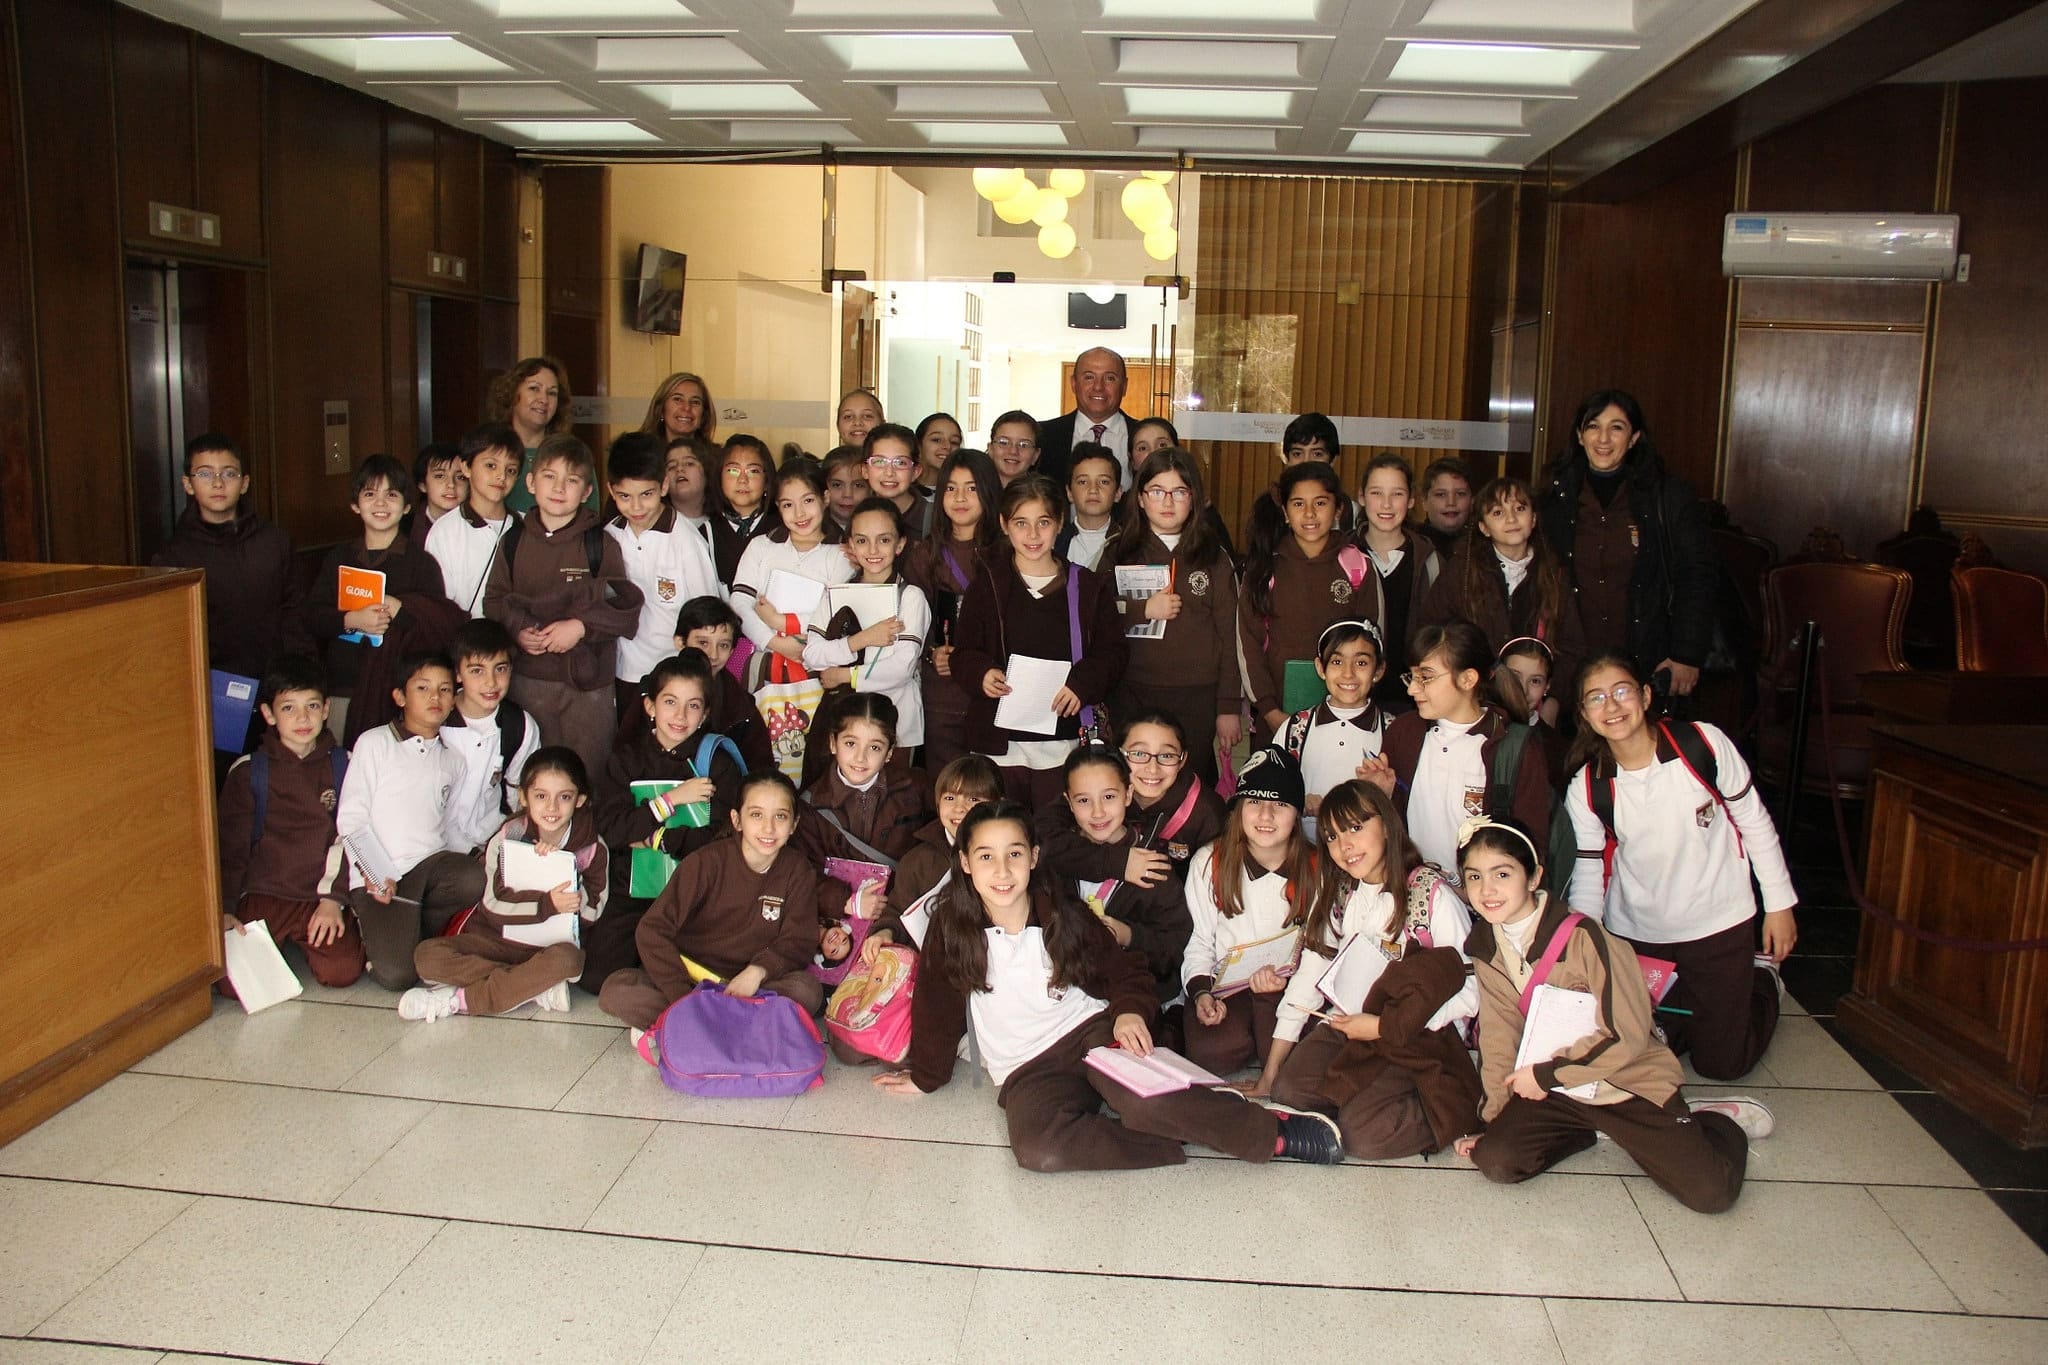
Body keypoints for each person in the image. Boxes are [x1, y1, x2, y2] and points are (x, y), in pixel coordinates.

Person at [872, 800, 1345, 1169]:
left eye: (1014, 854)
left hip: (1089, 1034)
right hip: (1027, 1068)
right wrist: (926, 1076)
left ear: (1034, 858)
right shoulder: (952, 929)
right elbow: (937, 1007)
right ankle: (1183, 1128)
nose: (1002, 871)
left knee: (1138, 1101)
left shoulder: (1058, 913)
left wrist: (1129, 1010)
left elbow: (1125, 968)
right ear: (966, 862)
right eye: (986, 857)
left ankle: (1273, 1133)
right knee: (1040, 1150)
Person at [1454, 817, 1771, 1212]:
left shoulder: (1586, 938)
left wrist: (1547, 1075)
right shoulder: (1487, 946)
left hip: (1621, 1082)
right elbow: (1499, 1037)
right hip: (1556, 1091)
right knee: (1497, 1161)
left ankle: (1716, 1124)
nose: (1488, 890)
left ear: (1533, 877)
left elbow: (1626, 1034)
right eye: (1474, 877)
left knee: (1711, 1193)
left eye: (1502, 873)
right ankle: (1589, 1129)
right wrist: (1493, 1120)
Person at [1564, 653, 1797, 1081]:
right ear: (1583, 714)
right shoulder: (1588, 784)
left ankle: (1762, 979)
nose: (1612, 707)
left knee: (1722, 1064)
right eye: (1596, 698)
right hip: (1638, 932)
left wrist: (1779, 905)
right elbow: (1588, 868)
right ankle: (1700, 1010)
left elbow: (1754, 822)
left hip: (1717, 922)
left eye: (1622, 691)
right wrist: (1587, 942)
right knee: (1645, 1053)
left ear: (1646, 695)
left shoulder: (1702, 744)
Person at [1251, 781, 1484, 1161]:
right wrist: (1271, 1070)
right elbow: (1310, 974)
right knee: (1289, 1090)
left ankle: (1444, 1108)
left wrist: (1386, 1026)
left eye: (1356, 827)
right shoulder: (1342, 892)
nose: (1345, 846)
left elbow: (1471, 990)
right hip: (1353, 1026)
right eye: (1331, 836)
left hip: (1419, 1035)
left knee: (1365, 1137)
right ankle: (1363, 1097)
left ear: (1388, 825)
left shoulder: (1429, 894)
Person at [598, 769, 826, 1029]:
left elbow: (798, 940)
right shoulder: (705, 862)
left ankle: (682, 1027)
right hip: (692, 979)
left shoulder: (797, 871)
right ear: (736, 820)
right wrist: (682, 996)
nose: (768, 828)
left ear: (794, 824)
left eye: (781, 817)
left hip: (751, 985)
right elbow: (652, 930)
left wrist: (757, 972)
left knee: (807, 991)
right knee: (617, 990)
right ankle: (718, 1023)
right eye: (756, 815)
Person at [952, 474, 1128, 808]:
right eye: (1021, 523)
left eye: (1043, 522)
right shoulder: (987, 584)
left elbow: (1114, 653)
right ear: (1004, 524)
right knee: (1002, 826)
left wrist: (1082, 685)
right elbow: (963, 654)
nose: (1032, 535)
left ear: (1061, 522)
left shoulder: (1088, 587)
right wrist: (982, 674)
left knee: (1053, 831)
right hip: (999, 743)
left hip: (1062, 739)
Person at [1538, 389, 1717, 701]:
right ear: (1580, 436)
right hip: (1574, 663)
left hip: (1648, 659)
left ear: (1634, 438)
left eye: (1616, 427)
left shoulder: (1668, 497)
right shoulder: (1554, 497)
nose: (1603, 439)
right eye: (1593, 426)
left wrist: (1686, 653)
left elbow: (1696, 575)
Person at [402, 746, 604, 1021]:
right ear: (523, 797)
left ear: (580, 800)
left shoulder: (592, 846)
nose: (552, 808)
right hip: (496, 939)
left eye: (564, 797)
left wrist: (570, 883)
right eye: (541, 796)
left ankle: (460, 1000)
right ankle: (529, 987)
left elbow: (594, 911)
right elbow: (493, 904)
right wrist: (545, 904)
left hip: (548, 947)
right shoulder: (510, 834)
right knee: (427, 956)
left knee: (569, 961)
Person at [586, 650, 747, 993]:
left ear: (704, 714)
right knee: (596, 977)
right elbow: (611, 829)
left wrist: (658, 838)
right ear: (650, 706)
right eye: (670, 701)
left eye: (693, 706)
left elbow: (723, 838)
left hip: (696, 897)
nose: (680, 715)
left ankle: (657, 978)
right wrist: (671, 801)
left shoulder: (716, 761)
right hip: (633, 890)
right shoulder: (626, 760)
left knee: (708, 973)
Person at [483, 433, 645, 776]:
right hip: (528, 681)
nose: (559, 488)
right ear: (530, 482)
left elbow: (626, 605)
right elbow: (494, 600)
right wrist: (517, 630)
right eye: (549, 477)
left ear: (587, 492)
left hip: (588, 690)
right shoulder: (513, 540)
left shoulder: (599, 543)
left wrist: (581, 627)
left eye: (571, 481)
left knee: (588, 776)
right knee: (531, 776)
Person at [333, 651, 488, 990]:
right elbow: (352, 818)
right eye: (423, 688)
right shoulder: (374, 743)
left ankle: (415, 933)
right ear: (400, 697)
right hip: (380, 879)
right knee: (397, 977)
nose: (436, 698)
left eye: (445, 689)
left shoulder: (452, 759)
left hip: (428, 869)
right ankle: (388, 936)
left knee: (470, 877)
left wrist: (485, 851)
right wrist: (375, 872)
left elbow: (448, 825)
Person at [215, 657, 364, 993]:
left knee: (341, 972)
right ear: (269, 715)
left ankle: (304, 942)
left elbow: (351, 839)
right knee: (229, 983)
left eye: (312, 706)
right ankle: (275, 947)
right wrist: (223, 910)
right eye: (288, 708)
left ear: (326, 709)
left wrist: (334, 900)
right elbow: (230, 851)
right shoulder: (248, 772)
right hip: (263, 892)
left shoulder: (345, 766)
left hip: (317, 893)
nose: (302, 718)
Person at [1361, 620, 1557, 875]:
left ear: (1468, 679)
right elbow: (1391, 829)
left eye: (1426, 677)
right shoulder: (1404, 732)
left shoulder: (1513, 747)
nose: (1411, 689)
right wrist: (1381, 795)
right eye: (1412, 676)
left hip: (1485, 905)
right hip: (1415, 895)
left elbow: (1531, 846)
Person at [150, 433, 307, 750]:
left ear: (245, 482)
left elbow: (295, 613)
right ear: (188, 484)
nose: (218, 483)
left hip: (277, 687)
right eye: (205, 473)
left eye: (229, 473)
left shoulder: (273, 542)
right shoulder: (172, 557)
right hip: (214, 694)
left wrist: (302, 679)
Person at [1102, 446, 1241, 786]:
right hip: (1131, 690)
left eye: (1179, 492)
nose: (1167, 502)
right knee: (1135, 780)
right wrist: (1142, 609)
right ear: (1139, 497)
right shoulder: (1118, 551)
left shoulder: (1214, 557)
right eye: (1157, 492)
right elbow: (1094, 619)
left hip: (1197, 695)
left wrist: (1228, 707)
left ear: (1194, 498)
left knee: (1192, 782)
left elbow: (1231, 636)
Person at [303, 452, 455, 746]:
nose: (381, 503)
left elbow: (437, 629)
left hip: (399, 694)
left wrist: (402, 609)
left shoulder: (422, 563)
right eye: (370, 494)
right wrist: (350, 619)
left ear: (407, 506)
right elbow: (312, 617)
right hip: (342, 688)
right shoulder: (339, 557)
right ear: (354, 504)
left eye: (392, 494)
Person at [1180, 747, 1315, 1075]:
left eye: (1280, 804)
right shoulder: (1210, 861)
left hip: (1290, 987)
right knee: (1211, 1052)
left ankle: (1265, 1030)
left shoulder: (1316, 866)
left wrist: (1282, 992)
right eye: (1255, 802)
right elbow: (1198, 940)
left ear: (1297, 814)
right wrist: (1201, 993)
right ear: (1238, 809)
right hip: (1229, 986)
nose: (1266, 816)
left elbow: (1321, 949)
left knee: (1295, 1063)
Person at [1420, 474, 1585, 721]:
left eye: (1520, 508)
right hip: (1473, 702)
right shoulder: (1461, 572)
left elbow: (1572, 647)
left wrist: (1554, 700)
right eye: (1497, 513)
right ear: (1484, 527)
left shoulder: (1554, 574)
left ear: (1534, 519)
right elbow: (1432, 634)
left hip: (1537, 706)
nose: (1511, 519)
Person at [1046, 746, 1193, 1003]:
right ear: (1068, 803)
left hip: (1137, 998)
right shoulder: (1059, 855)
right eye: (1083, 800)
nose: (1098, 812)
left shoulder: (1153, 867)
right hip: (1067, 994)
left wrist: (1129, 934)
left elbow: (1177, 946)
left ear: (1128, 795)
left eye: (1109, 797)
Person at [1237, 461, 1367, 743]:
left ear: (1339, 509)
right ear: (1285, 512)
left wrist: (1349, 709)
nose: (1309, 513)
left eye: (1320, 503)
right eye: (1298, 504)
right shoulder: (1264, 569)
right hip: (1276, 717)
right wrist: (1270, 711)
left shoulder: (1357, 566)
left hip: (1345, 715)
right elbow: (1248, 645)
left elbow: (1373, 643)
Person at [794, 694, 931, 960]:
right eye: (850, 743)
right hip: (841, 929)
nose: (860, 757)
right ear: (833, 743)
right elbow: (800, 871)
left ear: (890, 752)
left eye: (875, 747)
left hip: (898, 924)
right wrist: (845, 901)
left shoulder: (915, 788)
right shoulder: (811, 807)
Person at [803, 497, 930, 764]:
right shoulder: (834, 594)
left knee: (893, 801)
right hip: (847, 725)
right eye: (861, 540)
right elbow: (812, 654)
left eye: (884, 540)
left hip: (898, 724)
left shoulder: (910, 596)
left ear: (901, 544)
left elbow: (902, 667)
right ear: (850, 545)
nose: (872, 549)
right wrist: (862, 639)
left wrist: (843, 675)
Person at [603, 431, 719, 720]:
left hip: (673, 679)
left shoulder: (686, 541)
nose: (637, 507)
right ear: (610, 490)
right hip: (622, 674)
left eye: (646, 494)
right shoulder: (608, 538)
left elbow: (707, 617)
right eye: (624, 497)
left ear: (664, 485)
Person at [902, 448, 1003, 771]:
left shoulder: (1008, 551)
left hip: (996, 692)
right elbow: (911, 626)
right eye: (951, 487)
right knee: (946, 786)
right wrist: (932, 653)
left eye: (971, 488)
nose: (960, 497)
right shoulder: (925, 555)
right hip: (943, 694)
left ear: (988, 491)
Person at [729, 460, 856, 689]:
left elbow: (835, 614)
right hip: (761, 668)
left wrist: (778, 621)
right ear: (778, 506)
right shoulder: (761, 546)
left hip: (817, 672)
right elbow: (740, 602)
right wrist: (774, 642)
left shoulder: (843, 555)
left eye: (808, 501)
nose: (799, 513)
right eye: (788, 505)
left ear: (825, 498)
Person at [871, 752, 1005, 951]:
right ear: (937, 802)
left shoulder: (1012, 855)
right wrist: (885, 932)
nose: (959, 808)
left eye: (973, 799)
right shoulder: (919, 860)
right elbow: (898, 909)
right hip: (935, 964)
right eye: (950, 798)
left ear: (998, 804)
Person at [439, 618, 541, 858]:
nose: (491, 682)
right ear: (457, 674)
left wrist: (506, 849)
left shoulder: (519, 725)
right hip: (434, 847)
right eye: (477, 670)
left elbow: (520, 800)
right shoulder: (437, 719)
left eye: (501, 668)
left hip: (488, 846)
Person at [1278, 619, 1386, 827]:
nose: (1348, 673)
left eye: (1361, 663)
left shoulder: (1391, 730)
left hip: (1366, 853)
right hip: (1305, 852)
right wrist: (1298, 800)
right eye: (1337, 662)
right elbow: (1274, 790)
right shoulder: (1296, 728)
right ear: (1320, 667)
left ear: (1379, 671)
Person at [1355, 453, 1439, 714]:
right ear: (1361, 497)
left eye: (1398, 494)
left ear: (1412, 499)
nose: (1387, 504)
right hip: (1351, 696)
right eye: (1377, 493)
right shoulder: (1342, 555)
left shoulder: (1429, 560)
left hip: (1412, 701)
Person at [427, 423, 521, 619]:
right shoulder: (445, 531)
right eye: (491, 465)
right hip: (466, 642)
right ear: (466, 467)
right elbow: (438, 606)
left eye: (511, 470)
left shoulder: (527, 526)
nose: (501, 476)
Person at [670, 595, 770, 770]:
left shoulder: (741, 707)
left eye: (723, 645)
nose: (713, 655)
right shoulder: (653, 691)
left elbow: (761, 769)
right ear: (680, 642)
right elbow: (629, 754)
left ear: (732, 650)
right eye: (703, 643)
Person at [487, 356, 573, 514]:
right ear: (512, 393)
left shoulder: (571, 455)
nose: (544, 399)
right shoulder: (486, 452)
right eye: (534, 389)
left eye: (552, 393)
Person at [1035, 347, 1130, 489]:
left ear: (1124, 386)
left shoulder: (1143, 438)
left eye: (1110, 378)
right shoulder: (1042, 435)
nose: (1098, 387)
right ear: (1073, 383)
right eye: (1089, 377)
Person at [708, 434, 780, 587]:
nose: (742, 480)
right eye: (733, 470)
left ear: (767, 480)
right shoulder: (706, 533)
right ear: (719, 478)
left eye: (753, 471)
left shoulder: (784, 527)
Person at [1055, 442, 1120, 570]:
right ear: (1069, 493)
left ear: (1118, 493)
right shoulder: (1053, 541)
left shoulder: (1131, 543)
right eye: (1083, 482)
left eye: (1104, 482)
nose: (1093, 489)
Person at [405, 441, 466, 551]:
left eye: (460, 477)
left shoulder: (482, 528)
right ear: (422, 485)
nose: (451, 484)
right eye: (440, 476)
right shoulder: (404, 529)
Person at [861, 424, 922, 528]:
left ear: (915, 472)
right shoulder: (856, 516)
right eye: (879, 461)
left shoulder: (934, 518)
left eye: (900, 463)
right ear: (865, 470)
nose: (889, 472)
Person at [1419, 456, 1476, 557]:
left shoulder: (1482, 549)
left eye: (1460, 494)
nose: (1451, 502)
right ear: (1424, 502)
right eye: (1441, 494)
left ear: (1472, 500)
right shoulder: (1413, 548)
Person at [640, 371, 716, 447]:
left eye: (695, 402)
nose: (687, 407)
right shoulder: (637, 455)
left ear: (704, 415)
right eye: (678, 399)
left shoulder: (718, 457)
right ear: (660, 410)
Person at [664, 436, 714, 539]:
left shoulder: (723, 528)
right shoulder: (656, 528)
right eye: (672, 466)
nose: (679, 469)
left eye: (689, 463)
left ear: (706, 472)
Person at [986, 409, 1043, 486]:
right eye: (1004, 442)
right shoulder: (974, 491)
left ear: (1036, 455)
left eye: (1023, 445)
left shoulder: (1044, 496)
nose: (1013, 451)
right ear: (990, 449)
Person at [821, 446, 868, 535]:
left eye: (858, 485)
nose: (847, 494)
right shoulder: (812, 531)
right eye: (837, 485)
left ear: (870, 489)